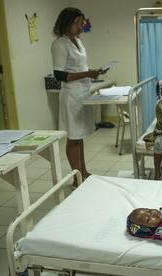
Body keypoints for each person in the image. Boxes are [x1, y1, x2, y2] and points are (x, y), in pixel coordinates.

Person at [51, 7, 107, 187]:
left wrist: (94, 72)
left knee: (80, 136)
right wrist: (87, 73)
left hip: (83, 92)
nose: (80, 27)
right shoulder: (59, 44)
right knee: (73, 137)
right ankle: (76, 177)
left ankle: (83, 171)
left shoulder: (77, 41)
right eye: (76, 23)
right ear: (65, 23)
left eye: (80, 23)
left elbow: (80, 67)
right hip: (71, 95)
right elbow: (60, 75)